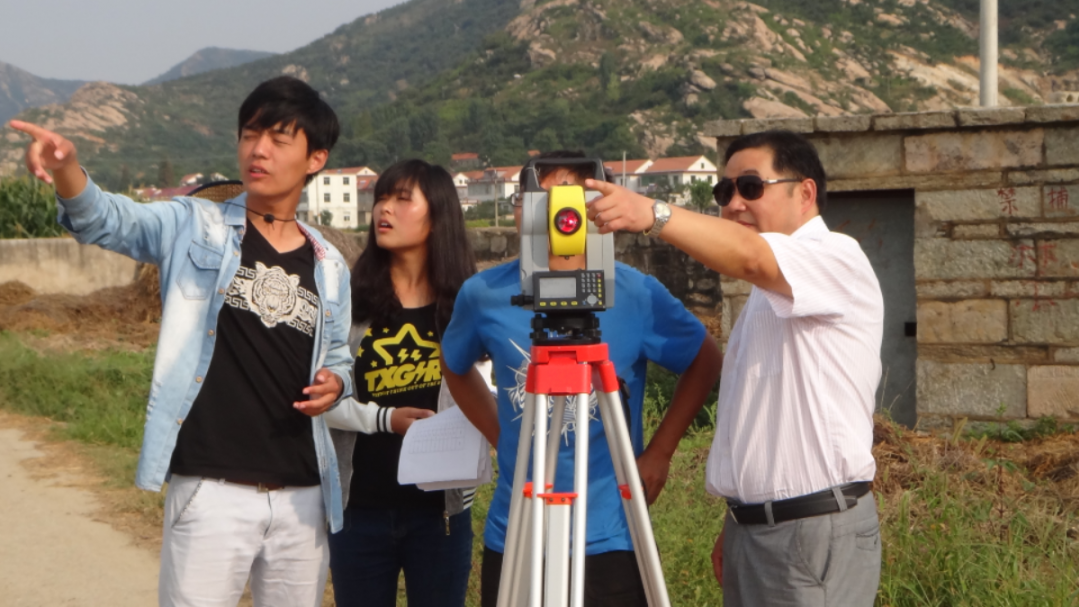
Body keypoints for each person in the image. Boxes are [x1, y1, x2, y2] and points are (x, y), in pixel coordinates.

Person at [8, 76, 354, 607]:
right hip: (211, 490)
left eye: (278, 138)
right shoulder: (194, 225)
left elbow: (339, 357)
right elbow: (106, 219)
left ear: (316, 158)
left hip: (303, 496)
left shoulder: (329, 264)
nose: (257, 150)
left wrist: (337, 383)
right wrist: (66, 168)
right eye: (249, 134)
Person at [585, 130, 885, 606]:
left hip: (811, 530)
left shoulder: (835, 257)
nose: (734, 203)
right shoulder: (768, 295)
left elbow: (749, 257)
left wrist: (653, 215)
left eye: (750, 187)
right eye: (725, 191)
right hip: (759, 529)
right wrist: (741, 520)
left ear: (805, 193)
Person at [440, 151, 722, 607]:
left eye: (571, 201)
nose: (560, 216)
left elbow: (704, 359)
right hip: (519, 528)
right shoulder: (483, 294)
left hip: (608, 531)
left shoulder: (634, 292)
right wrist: (500, 432)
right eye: (541, 200)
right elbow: (454, 364)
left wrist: (661, 452)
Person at [320, 159, 479, 607]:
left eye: (402, 199)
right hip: (359, 511)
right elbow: (320, 399)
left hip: (441, 514)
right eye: (381, 198)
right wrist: (385, 420)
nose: (384, 209)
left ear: (438, 216)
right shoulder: (349, 304)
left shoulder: (467, 307)